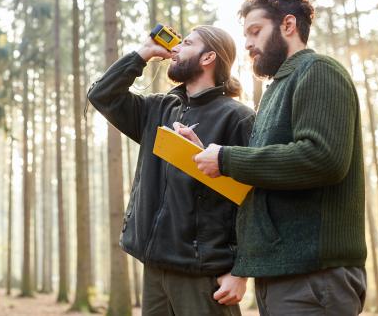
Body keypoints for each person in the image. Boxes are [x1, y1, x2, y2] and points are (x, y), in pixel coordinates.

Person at [185, 0, 367, 315]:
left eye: (256, 31)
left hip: (316, 277)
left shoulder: (318, 70)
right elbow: (265, 180)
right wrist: (208, 159)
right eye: (246, 35)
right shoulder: (274, 92)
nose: (248, 44)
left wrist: (228, 159)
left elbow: (322, 159)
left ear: (288, 25)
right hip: (279, 275)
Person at [87, 25, 255, 315]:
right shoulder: (158, 109)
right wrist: (143, 53)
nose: (175, 48)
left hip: (204, 276)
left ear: (207, 58)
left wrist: (241, 271)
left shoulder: (238, 118)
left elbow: (253, 201)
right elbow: (102, 95)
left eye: (186, 43)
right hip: (154, 269)